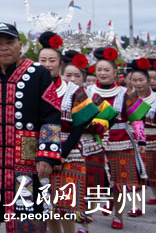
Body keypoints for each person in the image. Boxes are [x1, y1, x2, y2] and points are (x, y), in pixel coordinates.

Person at [0, 22, 62, 233]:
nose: (4, 47)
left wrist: (47, 155)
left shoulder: (38, 73)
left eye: (9, 42)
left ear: (20, 45)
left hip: (26, 161)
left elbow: (51, 115)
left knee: (27, 221)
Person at [36, 34, 101, 233]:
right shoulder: (31, 89)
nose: (47, 65)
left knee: (67, 208)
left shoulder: (73, 91)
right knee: (48, 208)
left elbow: (79, 127)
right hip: (38, 154)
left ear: (60, 63)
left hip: (69, 153)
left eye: (52, 60)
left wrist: (60, 155)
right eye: (43, 60)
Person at [87, 47, 150, 229]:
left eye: (106, 70)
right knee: (93, 183)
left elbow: (137, 119)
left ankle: (118, 216)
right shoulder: (88, 92)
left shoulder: (125, 93)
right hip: (94, 143)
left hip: (121, 143)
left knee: (120, 184)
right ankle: (86, 221)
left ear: (115, 72)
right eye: (99, 70)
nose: (102, 73)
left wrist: (141, 140)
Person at [60, 57, 115, 233]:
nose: (73, 79)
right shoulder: (58, 94)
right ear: (62, 75)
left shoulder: (92, 96)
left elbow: (110, 118)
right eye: (69, 75)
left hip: (90, 148)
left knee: (90, 190)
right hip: (66, 148)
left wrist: (94, 125)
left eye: (77, 76)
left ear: (83, 78)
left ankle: (84, 225)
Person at [126, 58, 155, 211]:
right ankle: (137, 205)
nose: (137, 83)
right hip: (133, 140)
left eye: (141, 80)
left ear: (148, 81)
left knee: (153, 173)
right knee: (138, 173)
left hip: (154, 140)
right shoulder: (128, 98)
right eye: (134, 80)